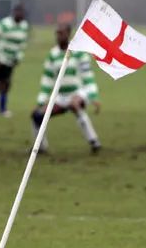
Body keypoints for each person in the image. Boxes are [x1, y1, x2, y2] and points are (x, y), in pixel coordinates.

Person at [30, 24, 101, 154]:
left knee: (75, 105)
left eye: (61, 33)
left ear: (68, 33)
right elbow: (47, 80)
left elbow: (88, 76)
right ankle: (40, 147)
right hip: (60, 97)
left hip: (77, 93)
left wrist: (93, 97)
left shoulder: (79, 53)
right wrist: (40, 101)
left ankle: (94, 141)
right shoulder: (53, 54)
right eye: (57, 33)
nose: (58, 36)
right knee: (37, 115)